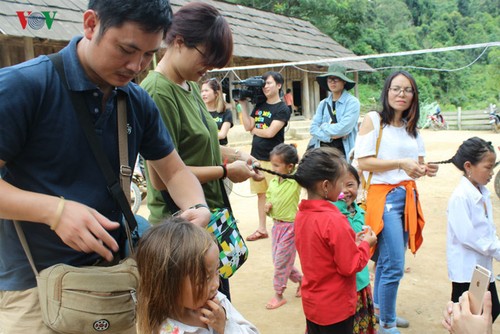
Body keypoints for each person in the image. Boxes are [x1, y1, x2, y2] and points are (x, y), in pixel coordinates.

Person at [0, 1, 212, 333]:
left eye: (147, 55)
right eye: (127, 49)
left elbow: (174, 171)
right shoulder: (24, 86)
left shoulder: (136, 101)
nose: (136, 66)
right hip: (33, 288)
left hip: (111, 282)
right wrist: (54, 212)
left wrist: (196, 206)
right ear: (90, 25)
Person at [140, 2, 263, 299]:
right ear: (179, 42)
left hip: (209, 216)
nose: (208, 69)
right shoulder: (157, 91)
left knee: (218, 304)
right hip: (182, 226)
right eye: (206, 58)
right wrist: (225, 172)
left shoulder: (190, 84)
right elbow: (161, 178)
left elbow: (204, 142)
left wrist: (236, 156)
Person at [354, 70, 439, 333]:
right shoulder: (374, 120)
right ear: (387, 92)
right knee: (394, 265)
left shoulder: (412, 129)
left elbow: (419, 164)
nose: (401, 94)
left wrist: (426, 169)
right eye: (396, 88)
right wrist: (401, 163)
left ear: (414, 96)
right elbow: (362, 161)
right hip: (384, 198)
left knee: (386, 261)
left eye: (407, 90)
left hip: (407, 198)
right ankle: (388, 326)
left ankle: (380, 311)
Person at [293, 147, 377, 333]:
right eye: (340, 182)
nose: (343, 189)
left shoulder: (302, 215)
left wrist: (350, 241)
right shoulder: (334, 219)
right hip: (335, 307)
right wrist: (365, 245)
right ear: (325, 186)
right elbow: (350, 266)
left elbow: (321, 250)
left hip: (314, 304)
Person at [136, 217, 259, 334]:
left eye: (217, 271)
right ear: (167, 285)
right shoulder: (167, 329)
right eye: (204, 279)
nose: (216, 284)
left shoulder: (218, 303)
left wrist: (226, 326)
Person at [433, 137, 500, 322]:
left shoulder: (482, 192)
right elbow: (468, 237)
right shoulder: (460, 197)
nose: (492, 172)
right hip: (467, 271)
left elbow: (487, 229)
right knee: (467, 318)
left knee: (488, 311)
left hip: (482, 267)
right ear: (469, 166)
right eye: (488, 167)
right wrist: (496, 249)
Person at [239, 71, 291, 242]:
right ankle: (262, 229)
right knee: (261, 194)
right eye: (264, 84)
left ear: (278, 85)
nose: (265, 86)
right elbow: (247, 126)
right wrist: (244, 105)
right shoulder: (260, 105)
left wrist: (254, 130)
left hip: (273, 159)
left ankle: (281, 227)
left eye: (269, 83)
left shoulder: (282, 108)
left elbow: (270, 132)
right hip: (256, 157)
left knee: (276, 194)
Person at [256, 143, 303, 310]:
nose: (273, 168)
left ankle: (278, 294)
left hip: (291, 228)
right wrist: (268, 207)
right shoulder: (274, 182)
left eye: (276, 165)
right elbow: (269, 199)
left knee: (281, 262)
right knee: (279, 261)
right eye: (272, 164)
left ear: (289, 167)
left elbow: (303, 171)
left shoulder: (295, 181)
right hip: (276, 227)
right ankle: (302, 281)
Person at [333, 165, 377, 334]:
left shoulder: (360, 212)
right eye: (339, 185)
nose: (344, 191)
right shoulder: (333, 214)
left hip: (362, 281)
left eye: (350, 185)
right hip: (344, 287)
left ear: (358, 185)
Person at [309, 64, 360, 161]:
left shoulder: (352, 103)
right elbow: (313, 129)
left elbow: (343, 129)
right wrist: (331, 137)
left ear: (344, 81)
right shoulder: (323, 104)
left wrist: (323, 126)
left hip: (344, 152)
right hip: (323, 152)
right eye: (330, 80)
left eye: (336, 79)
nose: (332, 82)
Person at [202, 78, 233, 146]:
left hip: (221, 149)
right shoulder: (199, 112)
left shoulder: (226, 113)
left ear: (216, 93)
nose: (203, 94)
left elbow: (222, 135)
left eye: (206, 91)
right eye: (202, 91)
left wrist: (201, 137)